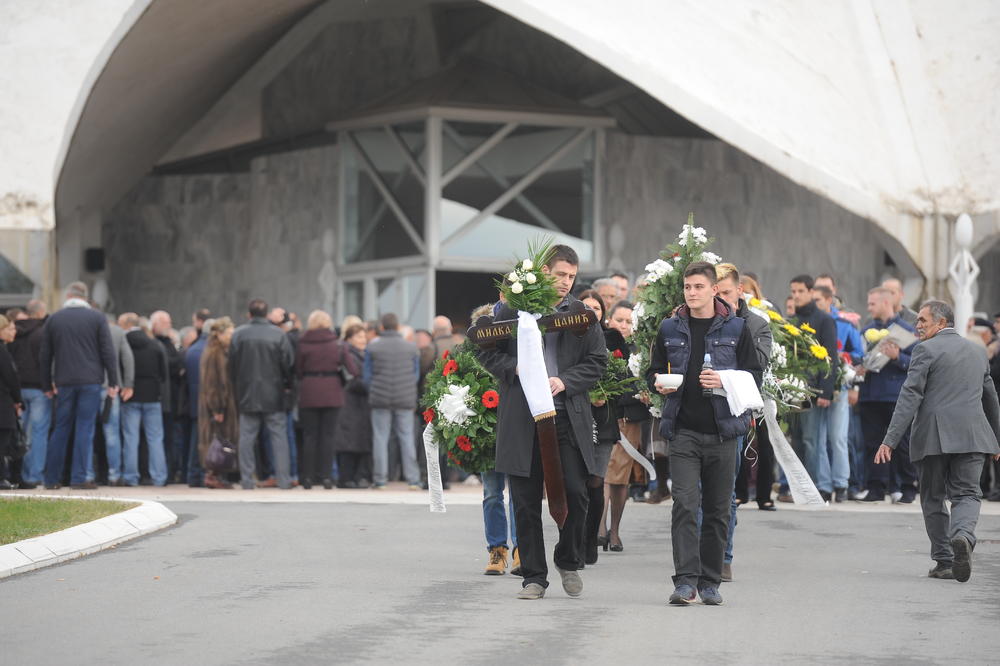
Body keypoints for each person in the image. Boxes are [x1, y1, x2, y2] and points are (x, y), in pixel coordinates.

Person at [478, 244, 606, 600]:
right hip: (522, 419)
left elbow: (597, 361)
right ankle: (534, 576)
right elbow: (484, 349)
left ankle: (568, 558)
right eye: (560, 274)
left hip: (566, 417)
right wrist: (515, 369)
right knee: (524, 499)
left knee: (578, 494)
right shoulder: (511, 308)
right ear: (543, 272)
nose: (566, 282)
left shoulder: (580, 313)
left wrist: (565, 381)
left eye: (571, 276)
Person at [646, 261, 762, 606]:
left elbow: (755, 374)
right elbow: (653, 370)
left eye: (699, 286)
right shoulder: (669, 328)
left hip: (724, 432)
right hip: (682, 430)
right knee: (684, 503)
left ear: (714, 289)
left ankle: (710, 581)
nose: (692, 293)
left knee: (717, 508)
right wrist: (657, 384)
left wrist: (724, 380)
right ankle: (685, 581)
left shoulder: (738, 328)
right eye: (687, 287)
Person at [875, 300, 1000, 582]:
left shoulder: (925, 350)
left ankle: (944, 561)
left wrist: (890, 440)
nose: (917, 325)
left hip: (933, 438)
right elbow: (990, 398)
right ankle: (963, 536)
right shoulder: (978, 351)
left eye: (923, 320)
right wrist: (996, 440)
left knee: (932, 498)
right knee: (967, 494)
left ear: (942, 323)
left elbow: (910, 396)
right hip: (973, 436)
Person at [715, 263, 772, 582]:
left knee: (725, 493)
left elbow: (757, 365)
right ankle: (701, 553)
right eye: (716, 293)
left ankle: (724, 556)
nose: (720, 299)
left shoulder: (757, 325)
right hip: (701, 414)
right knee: (695, 493)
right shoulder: (704, 320)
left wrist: (735, 329)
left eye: (726, 293)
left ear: (739, 291)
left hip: (734, 416)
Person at [40, 282, 120, 490]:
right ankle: (78, 477)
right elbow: (107, 352)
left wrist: (46, 384)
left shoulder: (54, 319)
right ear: (85, 297)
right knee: (85, 428)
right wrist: (113, 381)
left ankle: (51, 478)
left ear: (68, 296)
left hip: (64, 381)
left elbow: (45, 355)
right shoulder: (97, 318)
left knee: (61, 428)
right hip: (90, 381)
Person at [857, 287, 918, 503]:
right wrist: (858, 367)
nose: (869, 308)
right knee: (873, 444)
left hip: (895, 396)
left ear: (885, 303)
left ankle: (907, 487)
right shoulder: (866, 330)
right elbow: (857, 355)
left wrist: (898, 356)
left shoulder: (906, 330)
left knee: (901, 444)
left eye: (873, 303)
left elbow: (917, 364)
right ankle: (876, 487)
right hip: (871, 395)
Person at [230, 298, 295, 490]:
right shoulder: (278, 334)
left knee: (247, 437)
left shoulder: (239, 334)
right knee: (278, 437)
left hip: (247, 392)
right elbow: (288, 364)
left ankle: (247, 480)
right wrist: (286, 385)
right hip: (273, 393)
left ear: (249, 315)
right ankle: (283, 479)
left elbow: (232, 365)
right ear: (267, 315)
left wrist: (238, 386)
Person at [576, 290, 620, 564]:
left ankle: (591, 539)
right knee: (576, 484)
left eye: (597, 307)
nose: (593, 311)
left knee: (595, 482)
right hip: (575, 416)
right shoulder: (569, 335)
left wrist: (607, 395)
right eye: (587, 306)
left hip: (603, 421)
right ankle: (574, 541)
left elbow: (626, 381)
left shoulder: (613, 338)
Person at [789, 274, 839, 502]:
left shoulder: (824, 320)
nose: (796, 296)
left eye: (800, 291)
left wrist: (826, 391)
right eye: (793, 292)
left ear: (811, 292)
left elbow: (831, 357)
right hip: (792, 390)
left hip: (814, 389)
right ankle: (800, 487)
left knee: (812, 440)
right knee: (797, 440)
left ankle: (819, 487)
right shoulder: (790, 321)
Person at [296, 310, 358, 489]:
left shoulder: (302, 343)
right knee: (328, 436)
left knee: (309, 436)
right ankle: (326, 478)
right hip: (332, 392)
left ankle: (307, 478)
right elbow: (353, 370)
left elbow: (298, 370)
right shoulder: (338, 345)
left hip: (309, 390)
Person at [812, 284, 862, 502]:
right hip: (816, 385)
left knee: (838, 437)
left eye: (818, 301)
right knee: (818, 438)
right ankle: (823, 485)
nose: (814, 305)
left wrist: (842, 356)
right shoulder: (809, 323)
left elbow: (859, 353)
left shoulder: (843, 323)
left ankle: (841, 484)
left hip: (839, 385)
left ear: (829, 300)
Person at [364, 313, 421, 490]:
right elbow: (415, 375)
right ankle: (413, 479)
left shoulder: (373, 348)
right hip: (405, 398)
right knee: (406, 437)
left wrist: (373, 390)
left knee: (380, 438)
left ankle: (380, 479)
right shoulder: (411, 348)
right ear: (398, 327)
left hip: (380, 398)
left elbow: (367, 376)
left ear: (381, 327)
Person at [121, 314, 168, 486]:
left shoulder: (124, 344)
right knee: (155, 438)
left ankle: (131, 477)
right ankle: (159, 477)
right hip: (152, 396)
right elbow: (163, 373)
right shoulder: (155, 345)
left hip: (130, 396)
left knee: (131, 438)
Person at [9, 299, 49, 488]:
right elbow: (45, 361)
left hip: (17, 389)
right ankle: (34, 475)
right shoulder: (42, 333)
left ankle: (19, 475)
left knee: (20, 434)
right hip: (39, 388)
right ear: (40, 313)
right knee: (39, 433)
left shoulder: (13, 332)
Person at [198, 317, 238, 489]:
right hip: (218, 406)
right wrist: (217, 408)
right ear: (220, 334)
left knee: (220, 440)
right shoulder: (215, 353)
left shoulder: (219, 350)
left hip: (223, 404)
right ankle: (212, 475)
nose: (232, 336)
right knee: (217, 440)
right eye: (229, 333)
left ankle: (216, 475)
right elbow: (213, 383)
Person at [333, 323, 372, 488]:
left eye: (364, 336)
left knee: (358, 440)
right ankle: (346, 478)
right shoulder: (348, 353)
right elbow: (352, 379)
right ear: (349, 338)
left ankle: (356, 477)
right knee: (349, 441)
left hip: (360, 403)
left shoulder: (362, 354)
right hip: (350, 401)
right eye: (358, 336)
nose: (363, 340)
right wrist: (371, 386)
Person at [184, 319, 209, 487]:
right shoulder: (209, 350)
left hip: (193, 401)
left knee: (195, 440)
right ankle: (202, 474)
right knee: (204, 440)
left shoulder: (192, 350)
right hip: (207, 402)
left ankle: (193, 475)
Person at [0, 315, 22, 489]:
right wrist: (18, 400)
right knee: (2, 441)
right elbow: (11, 377)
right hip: (3, 404)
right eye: (9, 328)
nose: (12, 332)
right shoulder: (2, 351)